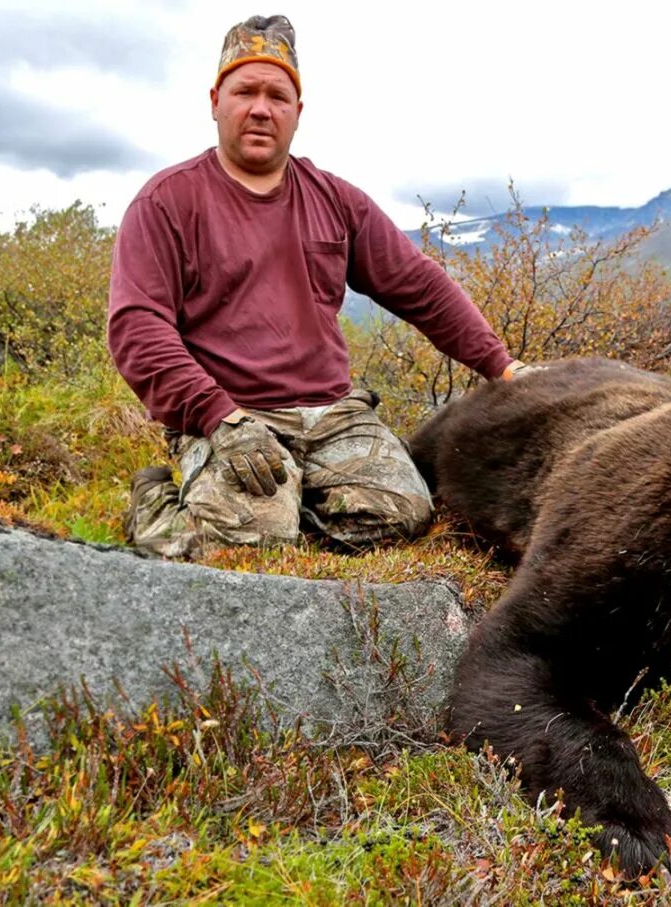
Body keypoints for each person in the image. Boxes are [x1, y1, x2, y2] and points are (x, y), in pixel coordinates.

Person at [108, 14, 526, 557]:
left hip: (333, 413)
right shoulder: (165, 202)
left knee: (403, 513)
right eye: (245, 92)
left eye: (278, 96)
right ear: (215, 101)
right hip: (231, 415)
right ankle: (156, 502)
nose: (261, 108)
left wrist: (502, 365)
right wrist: (217, 416)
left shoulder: (335, 199)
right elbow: (137, 330)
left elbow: (418, 284)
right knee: (248, 546)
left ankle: (280, 505)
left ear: (297, 113)